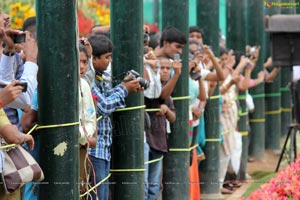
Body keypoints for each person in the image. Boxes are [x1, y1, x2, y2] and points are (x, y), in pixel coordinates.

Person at [87, 34, 142, 200]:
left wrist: (123, 86)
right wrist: (124, 89)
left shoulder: (99, 78)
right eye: (107, 57)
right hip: (93, 150)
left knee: (102, 194)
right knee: (97, 194)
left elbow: (107, 98)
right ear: (93, 59)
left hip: (103, 147)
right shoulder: (88, 80)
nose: (110, 61)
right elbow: (103, 106)